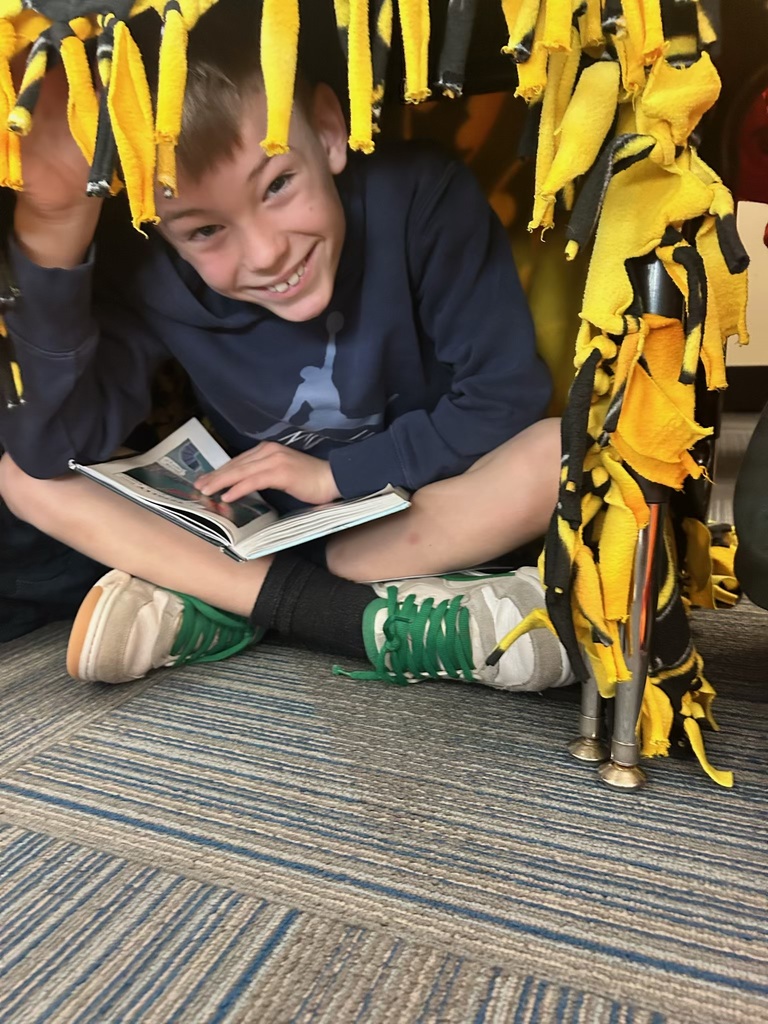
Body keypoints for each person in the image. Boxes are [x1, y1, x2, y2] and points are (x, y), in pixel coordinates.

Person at [0, 4, 574, 694]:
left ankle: (227, 605)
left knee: (561, 449)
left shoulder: (420, 194)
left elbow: (504, 397)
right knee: (21, 477)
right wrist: (53, 226)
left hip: (416, 511)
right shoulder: (149, 269)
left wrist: (334, 477)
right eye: (206, 231)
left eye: (277, 186)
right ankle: (356, 616)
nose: (267, 253)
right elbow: (50, 446)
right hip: (254, 530)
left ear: (329, 133)